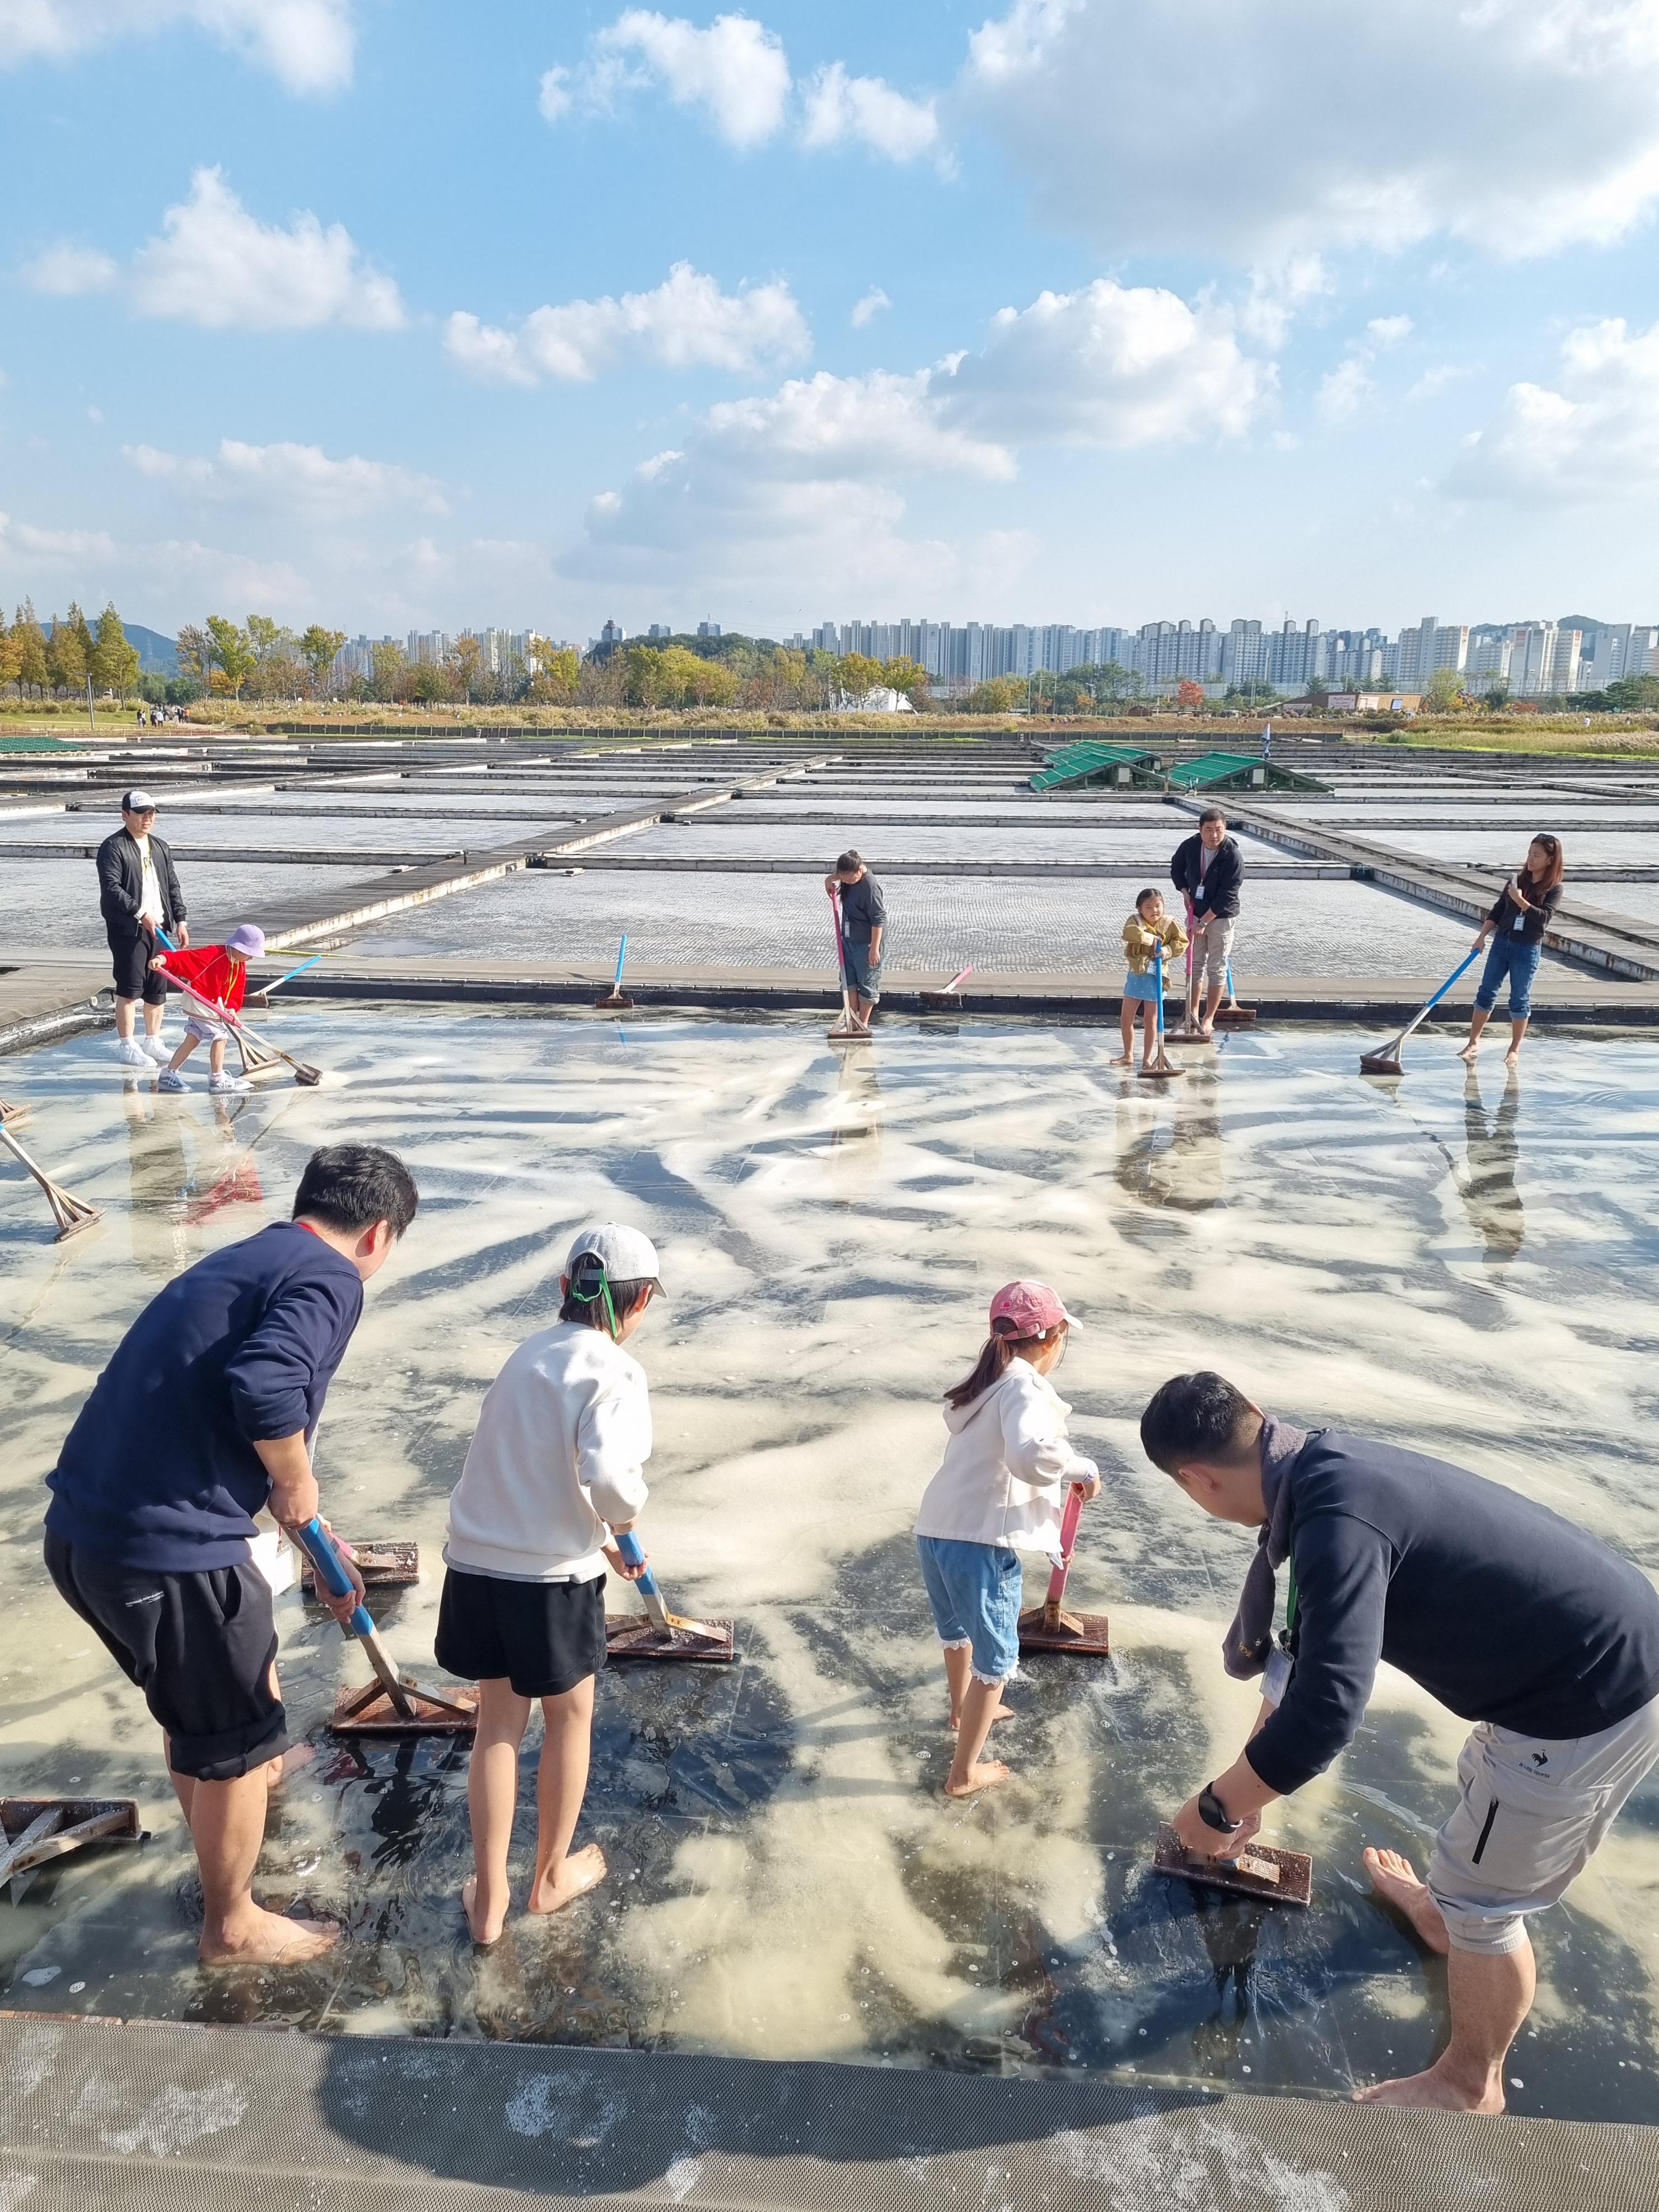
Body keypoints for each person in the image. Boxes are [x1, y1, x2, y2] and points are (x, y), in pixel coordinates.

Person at [1138, 1371, 1659, 2115]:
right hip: (1572, 1656)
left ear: (1194, 1479)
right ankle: (1443, 1913)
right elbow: (1301, 1659)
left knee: (1487, 1899)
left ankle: (1467, 2081)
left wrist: (1217, 1809)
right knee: (1482, 1797)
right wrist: (1244, 1793)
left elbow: (1326, 1712)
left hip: (1583, 1699)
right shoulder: (1318, 1469)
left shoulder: (1332, 1522)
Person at [44, 1144, 419, 1965]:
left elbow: (218, 1416)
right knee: (230, 1744)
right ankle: (233, 1924)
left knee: (212, 1722)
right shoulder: (332, 1276)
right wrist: (295, 1480)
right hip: (169, 1555)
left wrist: (313, 1534)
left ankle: (243, 1783)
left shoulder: (253, 1257)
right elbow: (265, 1387)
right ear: (379, 1233)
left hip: (85, 1536)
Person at [436, 1221, 662, 1945]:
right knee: (567, 1718)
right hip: (549, 1581)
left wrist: (607, 1535)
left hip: (476, 1562)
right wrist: (619, 1519)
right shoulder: (615, 1371)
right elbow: (606, 1476)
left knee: (496, 1725)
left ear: (564, 1288)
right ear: (642, 1302)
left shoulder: (526, 1355)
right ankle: (549, 1876)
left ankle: (489, 1900)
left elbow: (528, 1471)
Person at [914, 1282, 1100, 1799]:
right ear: (1052, 1339)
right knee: (995, 1662)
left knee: (957, 1631)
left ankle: (961, 1711)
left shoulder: (987, 1384)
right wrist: (1080, 1466)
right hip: (980, 1542)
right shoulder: (1021, 1385)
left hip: (936, 1530)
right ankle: (962, 1775)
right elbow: (1030, 1457)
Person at [97, 790, 188, 1068]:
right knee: (130, 987)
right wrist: (140, 913)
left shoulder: (160, 847)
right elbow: (112, 888)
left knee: (157, 986)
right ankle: (128, 1045)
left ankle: (153, 1040)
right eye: (141, 814)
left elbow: (172, 885)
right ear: (126, 815)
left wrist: (181, 920)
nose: (147, 819)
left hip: (159, 926)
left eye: (151, 814)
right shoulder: (113, 847)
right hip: (129, 929)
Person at [1460, 834, 1564, 1068]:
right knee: (1486, 992)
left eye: (1537, 856)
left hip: (1527, 949)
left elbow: (1543, 919)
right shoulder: (1516, 881)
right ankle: (1473, 1041)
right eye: (1529, 854)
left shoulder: (1554, 889)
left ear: (1550, 860)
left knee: (1519, 999)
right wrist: (1481, 937)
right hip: (1502, 943)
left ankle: (1515, 1048)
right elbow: (1498, 910)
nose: (1531, 859)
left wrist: (1522, 902)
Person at [153, 924, 265, 1095]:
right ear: (237, 946)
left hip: (209, 1002)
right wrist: (163, 959)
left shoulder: (239, 963)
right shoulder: (213, 954)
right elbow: (185, 957)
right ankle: (217, 1079)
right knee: (220, 1036)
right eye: (249, 953)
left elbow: (237, 989)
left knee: (194, 1037)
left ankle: (168, 1075)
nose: (251, 958)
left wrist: (232, 1009)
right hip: (200, 999)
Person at [1170, 808, 1244, 1038]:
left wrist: (1203, 922)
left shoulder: (1232, 855)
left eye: (1219, 830)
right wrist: (1184, 891)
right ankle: (1191, 1012)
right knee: (1195, 965)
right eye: (1209, 830)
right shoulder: (1191, 846)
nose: (1214, 835)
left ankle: (1209, 1017)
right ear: (1200, 829)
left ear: (1226, 829)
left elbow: (1228, 894)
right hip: (1196, 912)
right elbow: (1176, 868)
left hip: (1220, 917)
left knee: (1216, 968)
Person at [1115, 888, 1188, 1073]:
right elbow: (1129, 933)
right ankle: (1128, 1055)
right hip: (1137, 974)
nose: (1154, 910)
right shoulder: (1135, 921)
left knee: (1151, 1020)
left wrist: (1166, 951)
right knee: (1126, 1018)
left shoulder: (1170, 924)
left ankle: (1147, 1058)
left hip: (1156, 977)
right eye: (1149, 907)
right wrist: (1150, 938)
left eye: (1158, 906)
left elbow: (1182, 943)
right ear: (1140, 908)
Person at [824, 849, 886, 1037]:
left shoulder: (870, 888)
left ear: (860, 870)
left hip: (867, 943)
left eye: (851, 879)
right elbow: (838, 876)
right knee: (848, 981)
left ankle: (862, 1023)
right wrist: (829, 880)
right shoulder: (848, 875)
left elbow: (879, 919)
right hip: (849, 940)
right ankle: (851, 1020)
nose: (848, 882)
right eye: (845, 879)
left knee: (867, 982)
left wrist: (874, 949)